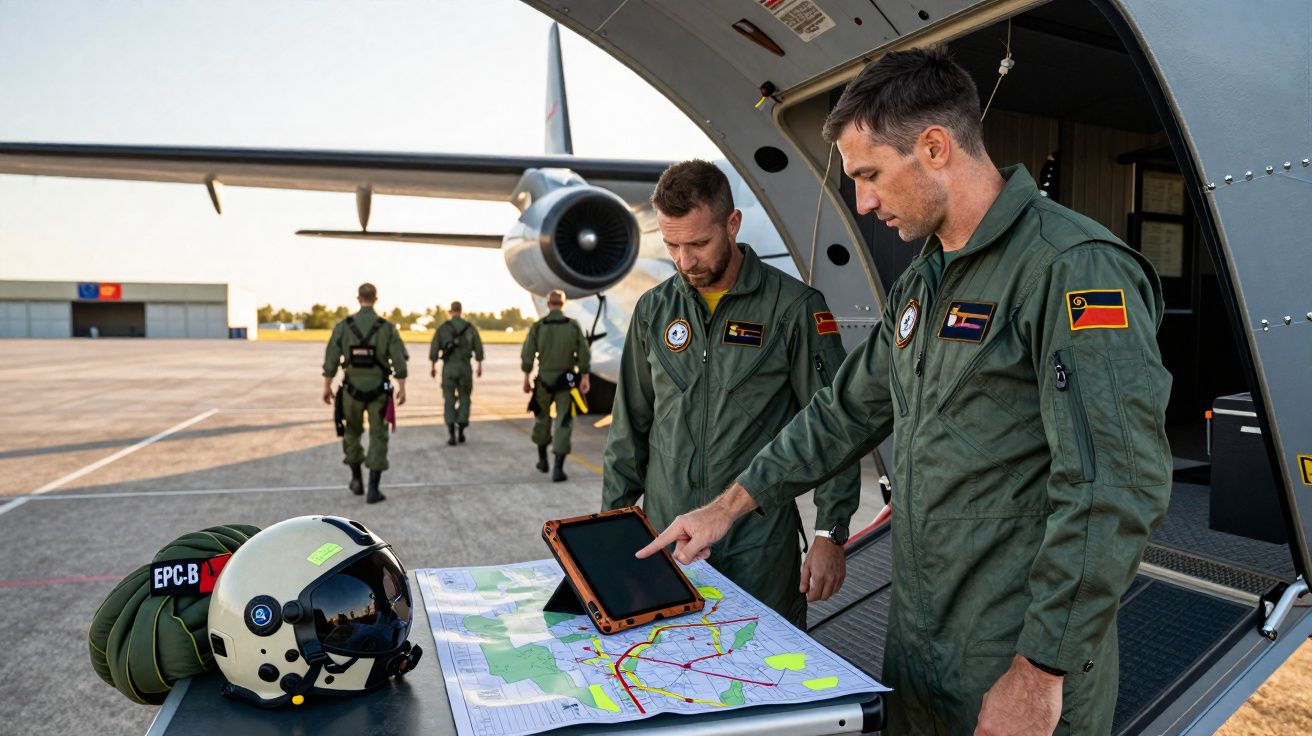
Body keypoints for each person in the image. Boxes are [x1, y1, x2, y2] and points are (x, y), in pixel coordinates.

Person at [638, 46, 1172, 735]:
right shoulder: (924, 281)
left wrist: (1041, 672)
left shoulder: (1070, 269)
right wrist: (729, 506)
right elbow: (843, 412)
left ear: (933, 146)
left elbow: (1112, 487)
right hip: (921, 642)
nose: (863, 202)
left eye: (870, 176)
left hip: (1013, 657)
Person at [602, 159, 858, 628]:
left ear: (733, 224)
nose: (684, 261)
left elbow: (834, 427)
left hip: (756, 547)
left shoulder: (794, 309)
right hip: (667, 541)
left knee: (770, 676)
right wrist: (612, 534)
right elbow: (629, 430)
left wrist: (830, 533)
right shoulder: (654, 311)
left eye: (699, 243)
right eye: (672, 245)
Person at [323, 283, 409, 503]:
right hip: (379, 392)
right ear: (376, 299)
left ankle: (356, 480)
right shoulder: (387, 328)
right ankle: (373, 489)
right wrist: (402, 387)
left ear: (358, 298)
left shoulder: (343, 327)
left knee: (351, 432)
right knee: (378, 435)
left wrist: (327, 386)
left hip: (351, 392)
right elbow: (399, 360)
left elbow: (331, 359)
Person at [521, 289, 590, 482]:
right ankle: (558, 469)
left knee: (542, 419)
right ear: (563, 304)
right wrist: (584, 377)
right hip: (566, 381)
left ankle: (542, 461)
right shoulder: (572, 326)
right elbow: (583, 354)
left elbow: (528, 354)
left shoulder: (539, 326)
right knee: (563, 422)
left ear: (549, 304)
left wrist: (526, 377)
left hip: (543, 380)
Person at [429, 301, 484, 446]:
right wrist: (479, 365)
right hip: (465, 368)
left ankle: (451, 432)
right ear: (461, 310)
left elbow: (434, 349)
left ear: (450, 311)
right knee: (465, 398)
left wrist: (433, 366)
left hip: (449, 369)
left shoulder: (443, 329)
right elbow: (478, 349)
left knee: (449, 399)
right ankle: (462, 428)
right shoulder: (470, 328)